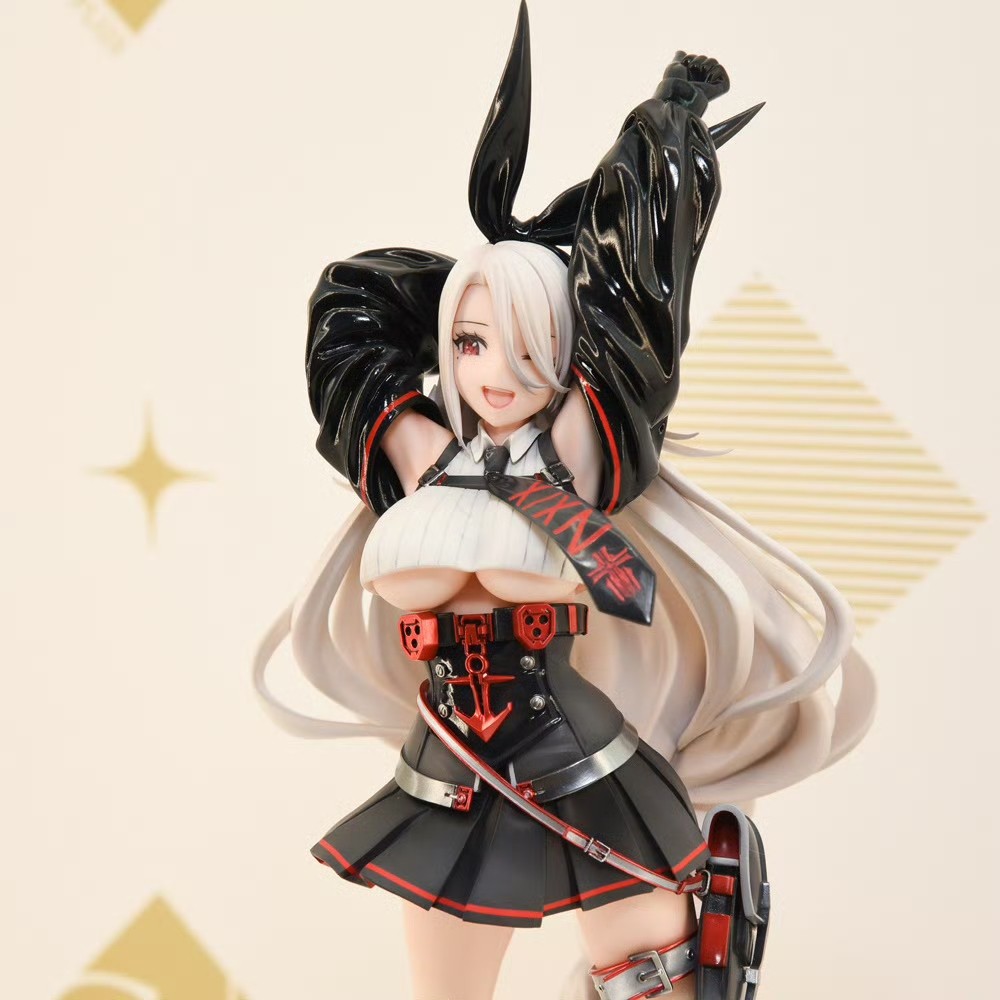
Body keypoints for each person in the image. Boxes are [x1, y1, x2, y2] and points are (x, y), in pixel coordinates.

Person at [253, 5, 875, 998]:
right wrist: (463, 287)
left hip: (576, 756)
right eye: (470, 342)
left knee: (649, 972)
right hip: (447, 761)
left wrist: (663, 133)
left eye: (525, 343)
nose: (494, 372)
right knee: (445, 986)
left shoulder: (571, 460)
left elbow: (631, 297)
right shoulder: (422, 456)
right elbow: (348, 313)